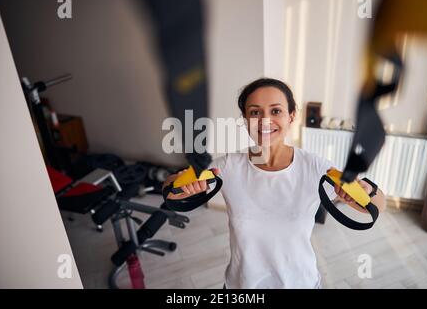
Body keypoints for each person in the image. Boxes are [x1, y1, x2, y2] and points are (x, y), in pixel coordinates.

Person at [163, 78, 386, 289]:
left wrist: (367, 190)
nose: (265, 120)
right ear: (245, 119)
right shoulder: (229, 166)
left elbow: (377, 205)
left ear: (291, 116)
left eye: (276, 111)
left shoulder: (315, 167)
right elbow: (170, 190)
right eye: (255, 112)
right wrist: (183, 186)